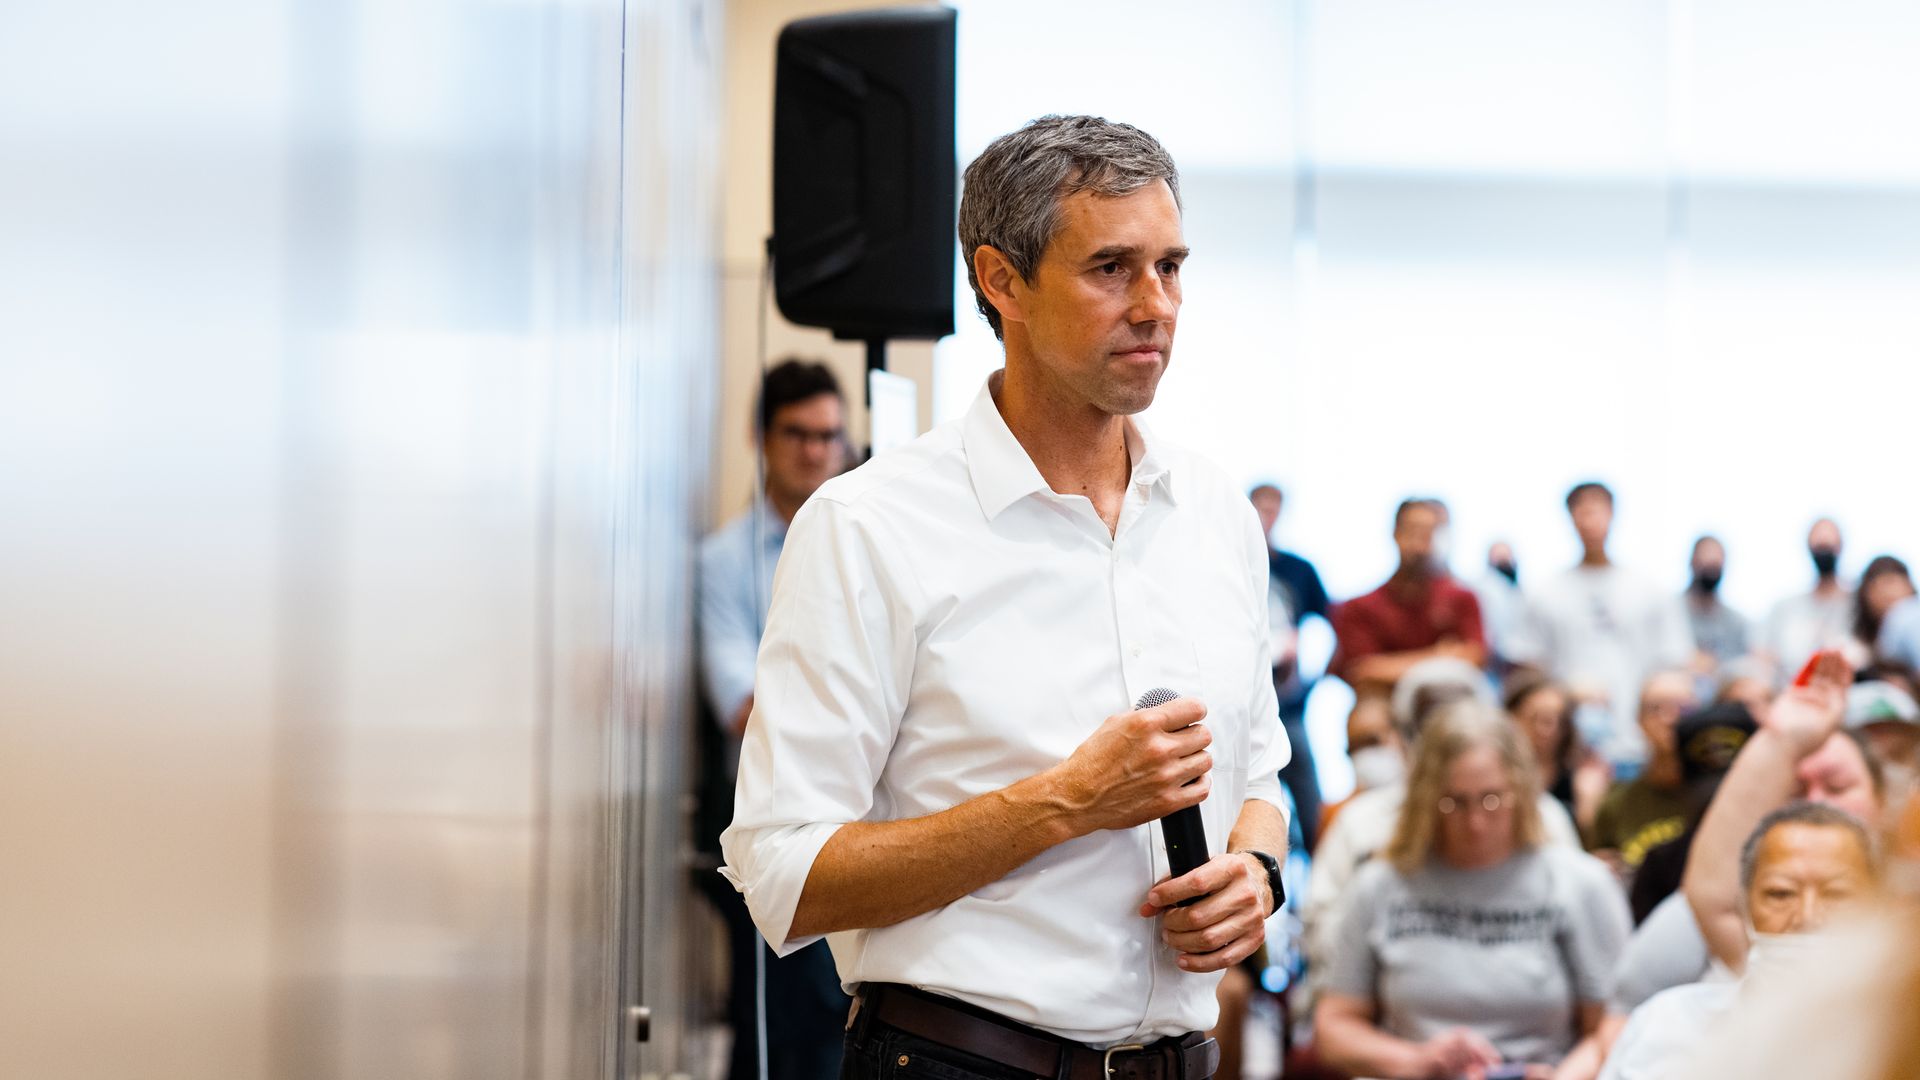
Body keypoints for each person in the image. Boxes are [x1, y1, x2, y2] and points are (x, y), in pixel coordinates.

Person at [720, 115, 1290, 1079]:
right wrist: (1066, 801)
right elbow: (785, 875)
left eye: (1171, 266)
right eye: (1111, 269)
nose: (1156, 305)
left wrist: (1259, 874)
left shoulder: (1216, 513)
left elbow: (1261, 776)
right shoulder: (869, 526)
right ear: (1002, 281)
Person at [1313, 703, 1630, 1080]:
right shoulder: (1380, 885)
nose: (1476, 822)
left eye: (1492, 799)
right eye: (1455, 802)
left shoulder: (1579, 883)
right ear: (1426, 798)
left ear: (1521, 790)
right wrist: (1416, 1061)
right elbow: (1335, 1026)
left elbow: (1612, 1026)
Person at [695, 358, 849, 1080]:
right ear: (760, 437)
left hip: (856, 815)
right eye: (797, 434)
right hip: (771, 820)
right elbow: (740, 705)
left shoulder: (863, 548)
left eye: (829, 435)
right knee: (782, 1028)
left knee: (838, 1016)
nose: (816, 452)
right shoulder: (725, 562)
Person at [1598, 802, 1881, 1080]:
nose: (1807, 917)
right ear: (1744, 907)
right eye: (1781, 893)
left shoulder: (1893, 1051)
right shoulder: (1667, 1027)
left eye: (1838, 894)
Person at [1515, 482, 1693, 768]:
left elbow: (1673, 663)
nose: (1590, 522)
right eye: (1582, 512)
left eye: (1597, 511)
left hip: (1640, 742)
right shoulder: (1546, 593)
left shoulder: (1649, 589)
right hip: (1567, 746)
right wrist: (1566, 693)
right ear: (1571, 518)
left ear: (1612, 514)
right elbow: (1530, 668)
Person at [1328, 498, 1488, 698]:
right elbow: (1362, 671)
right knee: (1370, 713)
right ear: (1396, 533)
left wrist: (1389, 667)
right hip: (1384, 698)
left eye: (1429, 533)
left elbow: (1475, 658)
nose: (1420, 544)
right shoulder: (1359, 606)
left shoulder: (1463, 598)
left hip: (1448, 698)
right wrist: (1442, 657)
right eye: (1412, 531)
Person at [1250, 483, 1334, 846]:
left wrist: (1309, 677)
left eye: (1273, 509)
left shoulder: (1299, 570)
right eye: (1260, 508)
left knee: (1307, 792)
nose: (1266, 517)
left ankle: (1322, 861)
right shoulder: (1231, 561)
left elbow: (1329, 627)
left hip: (1288, 706)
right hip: (1243, 702)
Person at [1588, 672, 1698, 874]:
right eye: (1656, 708)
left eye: (1682, 708)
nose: (1669, 718)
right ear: (1639, 720)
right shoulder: (1617, 801)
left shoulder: (1716, 794)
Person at [1504, 676, 1610, 842]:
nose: (1547, 729)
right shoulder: (1499, 777)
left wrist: (1588, 807)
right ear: (1512, 718)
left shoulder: (1580, 781)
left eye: (1556, 720)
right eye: (1537, 718)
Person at [1759, 517, 1851, 677]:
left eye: (1829, 546)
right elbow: (1763, 652)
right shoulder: (1785, 607)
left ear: (1840, 547)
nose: (1824, 553)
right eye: (1819, 546)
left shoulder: (1857, 604)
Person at [1315, 696, 1404, 848]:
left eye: (1371, 741)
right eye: (1356, 746)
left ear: (1399, 736)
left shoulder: (1428, 805)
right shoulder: (1335, 814)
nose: (1365, 753)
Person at [1680, 535, 1749, 672]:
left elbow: (1741, 662)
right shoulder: (1672, 612)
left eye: (1715, 565)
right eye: (1705, 562)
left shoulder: (1736, 621)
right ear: (1692, 562)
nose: (1710, 572)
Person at [1849, 554, 1915, 668]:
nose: (1885, 592)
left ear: (1910, 587)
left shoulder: (1909, 617)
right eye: (1875, 586)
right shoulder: (1860, 649)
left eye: (1890, 582)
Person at [1475, 541, 1528, 674]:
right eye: (1500, 558)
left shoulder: (1518, 590)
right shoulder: (1484, 590)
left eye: (1507, 557)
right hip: (1495, 660)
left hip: (1518, 659)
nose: (1505, 562)